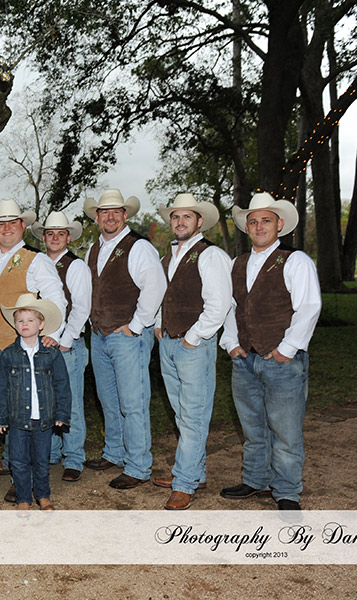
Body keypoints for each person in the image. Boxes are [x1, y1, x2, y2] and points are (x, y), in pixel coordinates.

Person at [219, 192, 321, 511]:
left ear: (280, 224)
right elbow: (231, 307)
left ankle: (287, 491)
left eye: (266, 220)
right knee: (252, 428)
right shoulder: (237, 264)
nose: (259, 226)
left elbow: (309, 307)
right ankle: (256, 480)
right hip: (245, 360)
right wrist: (232, 344)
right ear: (246, 227)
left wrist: (286, 350)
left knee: (286, 431)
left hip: (282, 363)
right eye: (253, 221)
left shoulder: (295, 261)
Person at [0, 199, 66, 505]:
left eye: (12, 223)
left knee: (27, 412)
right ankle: (12, 462)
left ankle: (23, 481)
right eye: (0, 224)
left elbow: (55, 296)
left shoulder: (36, 260)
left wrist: (53, 335)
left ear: (23, 226)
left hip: (22, 351)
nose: (6, 228)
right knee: (6, 409)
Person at [152, 194, 232, 510]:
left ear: (200, 221)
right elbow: (163, 296)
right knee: (182, 413)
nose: (180, 222)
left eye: (187, 216)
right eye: (176, 217)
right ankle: (195, 473)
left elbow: (219, 304)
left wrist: (194, 337)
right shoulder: (168, 257)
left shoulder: (210, 255)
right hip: (169, 342)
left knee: (194, 415)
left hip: (193, 346)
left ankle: (184, 483)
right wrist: (159, 324)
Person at [83, 189, 166, 489]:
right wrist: (92, 322)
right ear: (96, 217)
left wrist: (136, 325)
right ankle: (114, 452)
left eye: (116, 211)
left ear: (125, 215)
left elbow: (155, 287)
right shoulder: (93, 249)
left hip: (128, 338)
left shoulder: (138, 247)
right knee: (108, 399)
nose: (110, 216)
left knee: (133, 403)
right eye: (104, 212)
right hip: (100, 335)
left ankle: (138, 466)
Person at [0, 294, 71, 511]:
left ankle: (43, 496)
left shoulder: (51, 354)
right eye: (20, 320)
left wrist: (62, 414)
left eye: (30, 320)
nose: (24, 324)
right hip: (18, 419)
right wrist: (1, 417)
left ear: (41, 324)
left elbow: (62, 385)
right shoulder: (9, 355)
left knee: (42, 460)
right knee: (18, 461)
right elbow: (1, 388)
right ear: (14, 324)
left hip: (44, 418)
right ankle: (23, 499)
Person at [30, 211, 91, 483]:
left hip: (68, 345)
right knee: (46, 401)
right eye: (50, 233)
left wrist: (65, 341)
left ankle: (74, 457)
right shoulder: (37, 264)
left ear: (68, 238)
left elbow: (81, 307)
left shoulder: (75, 266)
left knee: (70, 401)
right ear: (43, 238)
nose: (55, 238)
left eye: (61, 233)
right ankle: (52, 452)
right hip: (43, 343)